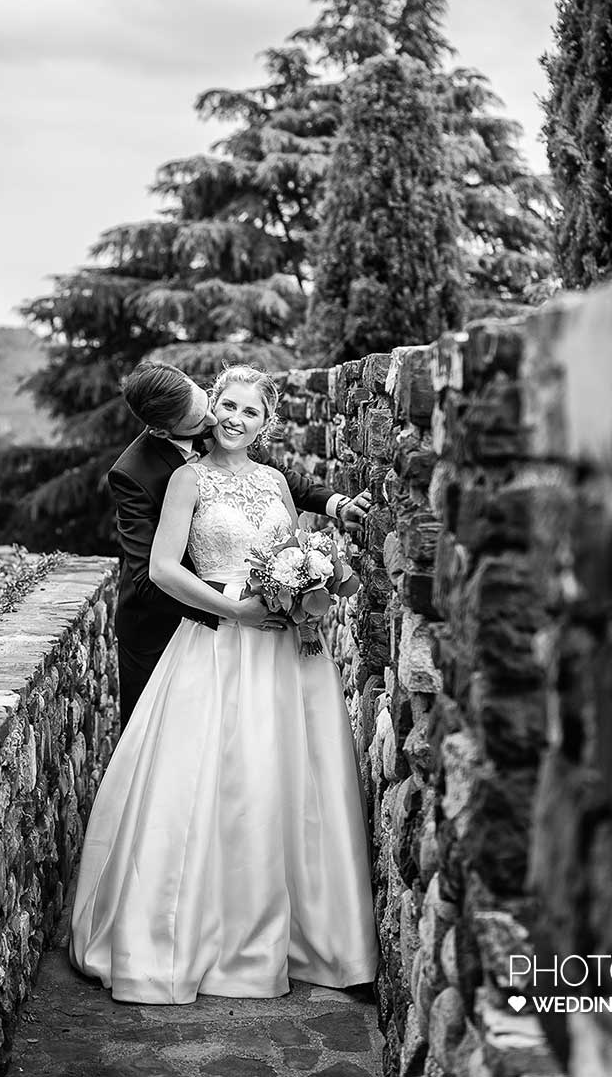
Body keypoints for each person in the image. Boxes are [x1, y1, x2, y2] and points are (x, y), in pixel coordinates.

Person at [70, 364, 379, 1003]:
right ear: (206, 410)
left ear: (267, 423)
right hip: (215, 637)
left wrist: (307, 598)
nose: (233, 419)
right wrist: (234, 610)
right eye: (226, 407)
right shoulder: (181, 478)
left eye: (250, 411)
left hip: (286, 649)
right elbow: (156, 569)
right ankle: (211, 934)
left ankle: (307, 935)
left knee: (288, 779)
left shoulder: (271, 479)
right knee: (219, 780)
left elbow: (293, 548)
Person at [104, 360, 368, 724]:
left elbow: (275, 480)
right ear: (164, 433)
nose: (216, 422)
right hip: (162, 624)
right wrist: (236, 607)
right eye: (201, 421)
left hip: (264, 621)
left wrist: (337, 505)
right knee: (160, 738)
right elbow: (151, 578)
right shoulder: (133, 474)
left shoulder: (224, 417)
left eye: (208, 403)